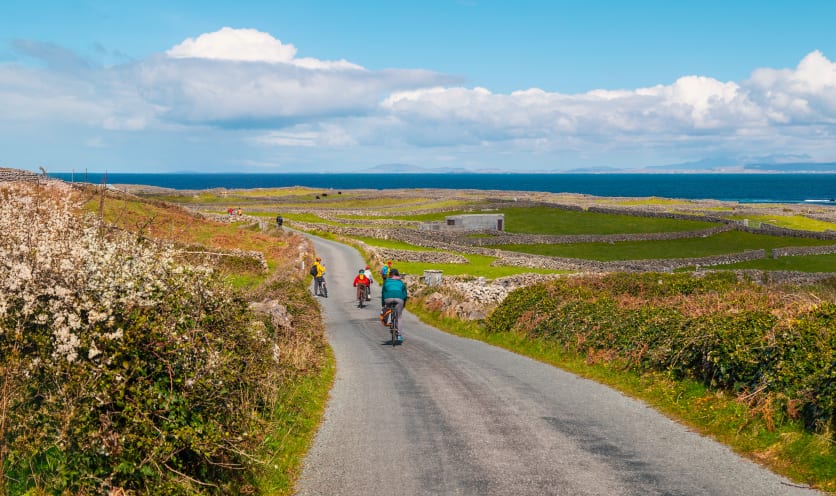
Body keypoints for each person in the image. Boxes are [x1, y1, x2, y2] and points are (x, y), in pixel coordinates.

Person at [381, 268, 407, 337]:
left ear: (390, 275)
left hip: (388, 298)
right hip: (399, 298)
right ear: (397, 274)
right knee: (399, 317)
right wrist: (404, 303)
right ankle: (399, 335)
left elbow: (383, 293)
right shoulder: (400, 282)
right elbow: (405, 294)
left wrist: (383, 304)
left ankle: (390, 322)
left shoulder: (386, 281)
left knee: (388, 309)